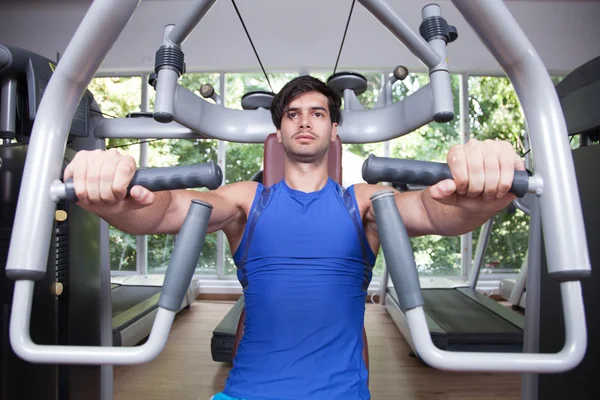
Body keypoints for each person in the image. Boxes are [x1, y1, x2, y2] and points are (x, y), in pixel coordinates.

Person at [64, 75, 525, 400]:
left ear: (333, 128)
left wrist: (490, 184)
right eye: (293, 114)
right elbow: (172, 210)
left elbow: (435, 210)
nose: (305, 122)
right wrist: (110, 194)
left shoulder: (364, 202)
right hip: (247, 394)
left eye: (317, 113)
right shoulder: (249, 200)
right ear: (280, 130)